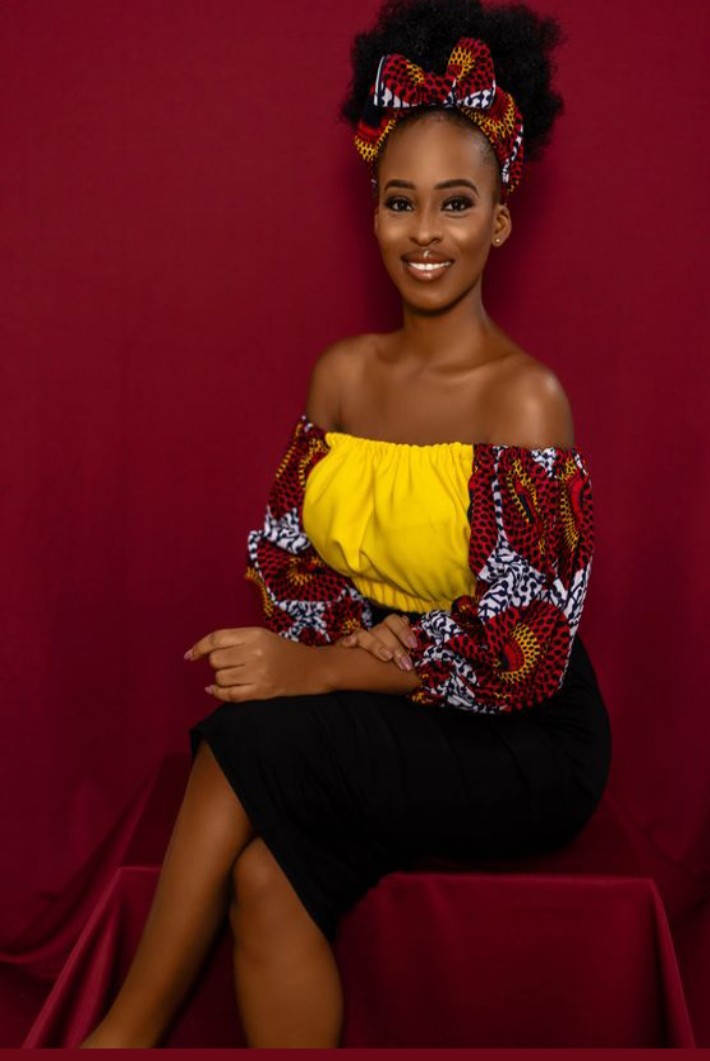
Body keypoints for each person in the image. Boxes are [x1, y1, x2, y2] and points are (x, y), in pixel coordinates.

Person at [80, 0, 612, 1049]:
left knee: (250, 732)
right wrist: (349, 639)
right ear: (372, 213)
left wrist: (318, 669)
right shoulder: (341, 375)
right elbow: (291, 558)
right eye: (400, 202)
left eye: (456, 203)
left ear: (499, 220)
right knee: (265, 878)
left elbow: (524, 655)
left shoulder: (525, 400)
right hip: (394, 683)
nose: (425, 233)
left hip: (523, 738)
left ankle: (121, 1036)